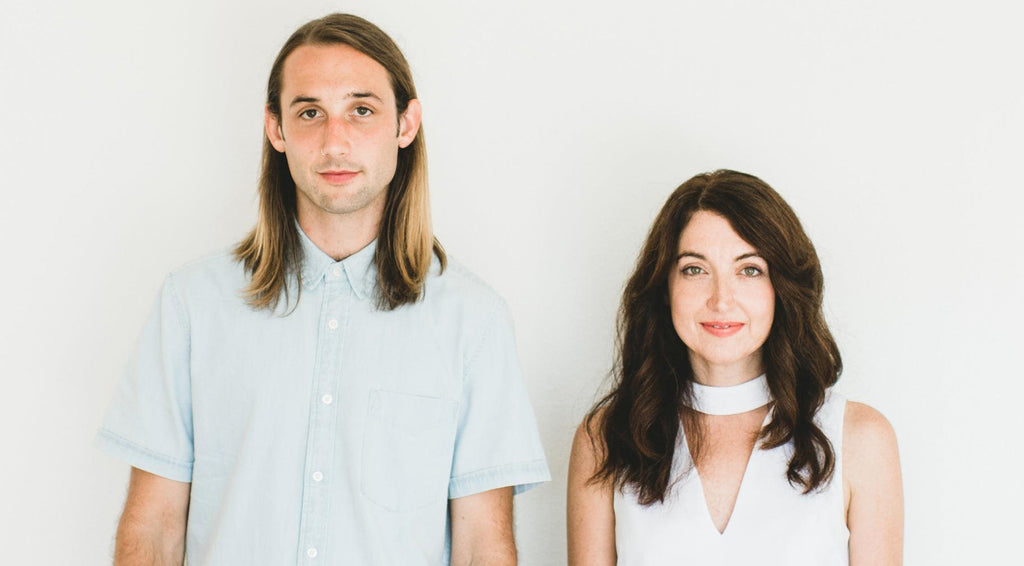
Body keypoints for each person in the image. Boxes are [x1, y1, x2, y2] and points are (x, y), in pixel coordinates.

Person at [96, 13, 549, 565]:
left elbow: (483, 546)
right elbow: (152, 529)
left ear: (406, 125)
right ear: (276, 129)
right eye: (310, 112)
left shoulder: (473, 321)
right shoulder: (192, 305)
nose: (336, 142)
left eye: (362, 110)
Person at [567, 170, 902, 565]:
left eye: (749, 270)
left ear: (781, 288)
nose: (721, 299)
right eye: (695, 269)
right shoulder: (605, 439)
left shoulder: (859, 439)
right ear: (665, 288)